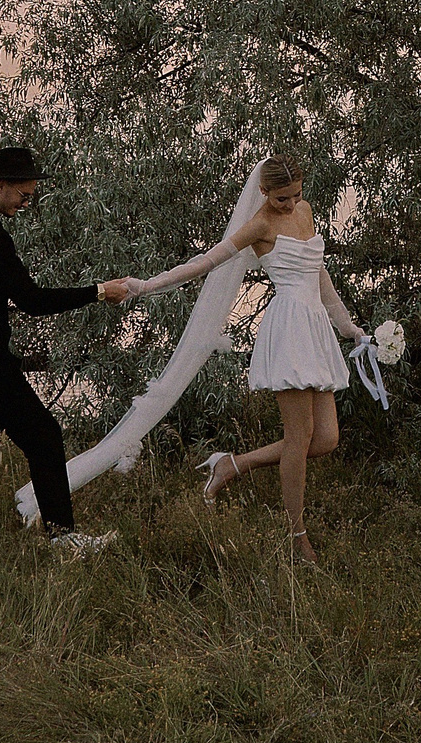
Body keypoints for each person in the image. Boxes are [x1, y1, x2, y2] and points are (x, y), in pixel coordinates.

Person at [124, 153, 367, 564]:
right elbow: (206, 263)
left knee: (325, 439)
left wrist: (349, 327)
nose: (289, 205)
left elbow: (318, 273)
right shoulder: (259, 224)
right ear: (264, 191)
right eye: (281, 199)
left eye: (295, 196)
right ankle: (297, 538)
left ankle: (231, 465)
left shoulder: (304, 211)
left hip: (316, 330)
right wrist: (147, 285)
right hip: (288, 329)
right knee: (299, 435)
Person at [0, 145, 133, 578]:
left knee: (44, 436)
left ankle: (62, 536)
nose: (26, 204)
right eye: (23, 195)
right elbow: (31, 301)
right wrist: (97, 292)